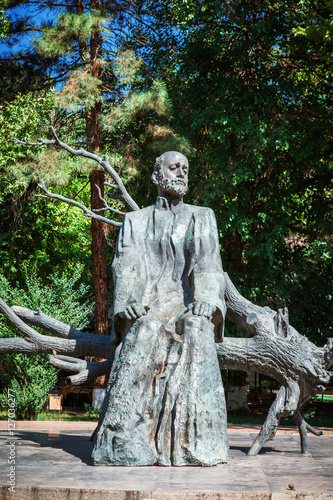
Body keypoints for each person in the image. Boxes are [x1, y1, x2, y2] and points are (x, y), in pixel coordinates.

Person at [92, 151, 228, 466]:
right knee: (146, 328)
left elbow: (209, 265)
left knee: (196, 327)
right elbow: (126, 266)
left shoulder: (201, 216)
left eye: (185, 168)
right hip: (148, 306)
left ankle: (194, 443)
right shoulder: (134, 221)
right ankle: (123, 439)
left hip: (185, 305)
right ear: (157, 176)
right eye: (173, 167)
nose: (180, 173)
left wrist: (207, 298)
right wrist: (129, 302)